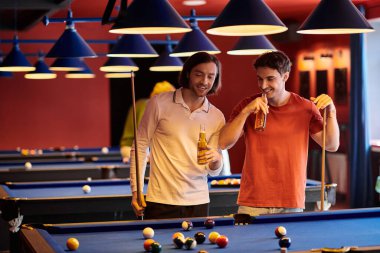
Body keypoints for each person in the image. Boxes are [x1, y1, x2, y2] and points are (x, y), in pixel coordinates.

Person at [219, 51, 340, 216]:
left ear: (285, 76)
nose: (263, 85)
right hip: (253, 201)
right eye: (259, 79)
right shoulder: (248, 105)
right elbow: (223, 143)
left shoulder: (305, 108)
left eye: (270, 79)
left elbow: (332, 145)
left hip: (290, 200)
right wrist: (246, 111)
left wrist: (331, 113)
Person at [130, 52, 225, 219]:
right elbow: (140, 145)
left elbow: (213, 171)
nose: (205, 81)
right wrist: (136, 190)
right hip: (160, 200)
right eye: (199, 74)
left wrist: (217, 160)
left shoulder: (217, 116)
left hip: (199, 201)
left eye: (211, 76)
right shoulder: (159, 103)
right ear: (188, 73)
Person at [119, 81, 176, 163]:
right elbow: (143, 136)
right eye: (169, 97)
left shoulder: (157, 107)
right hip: (131, 148)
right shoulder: (147, 105)